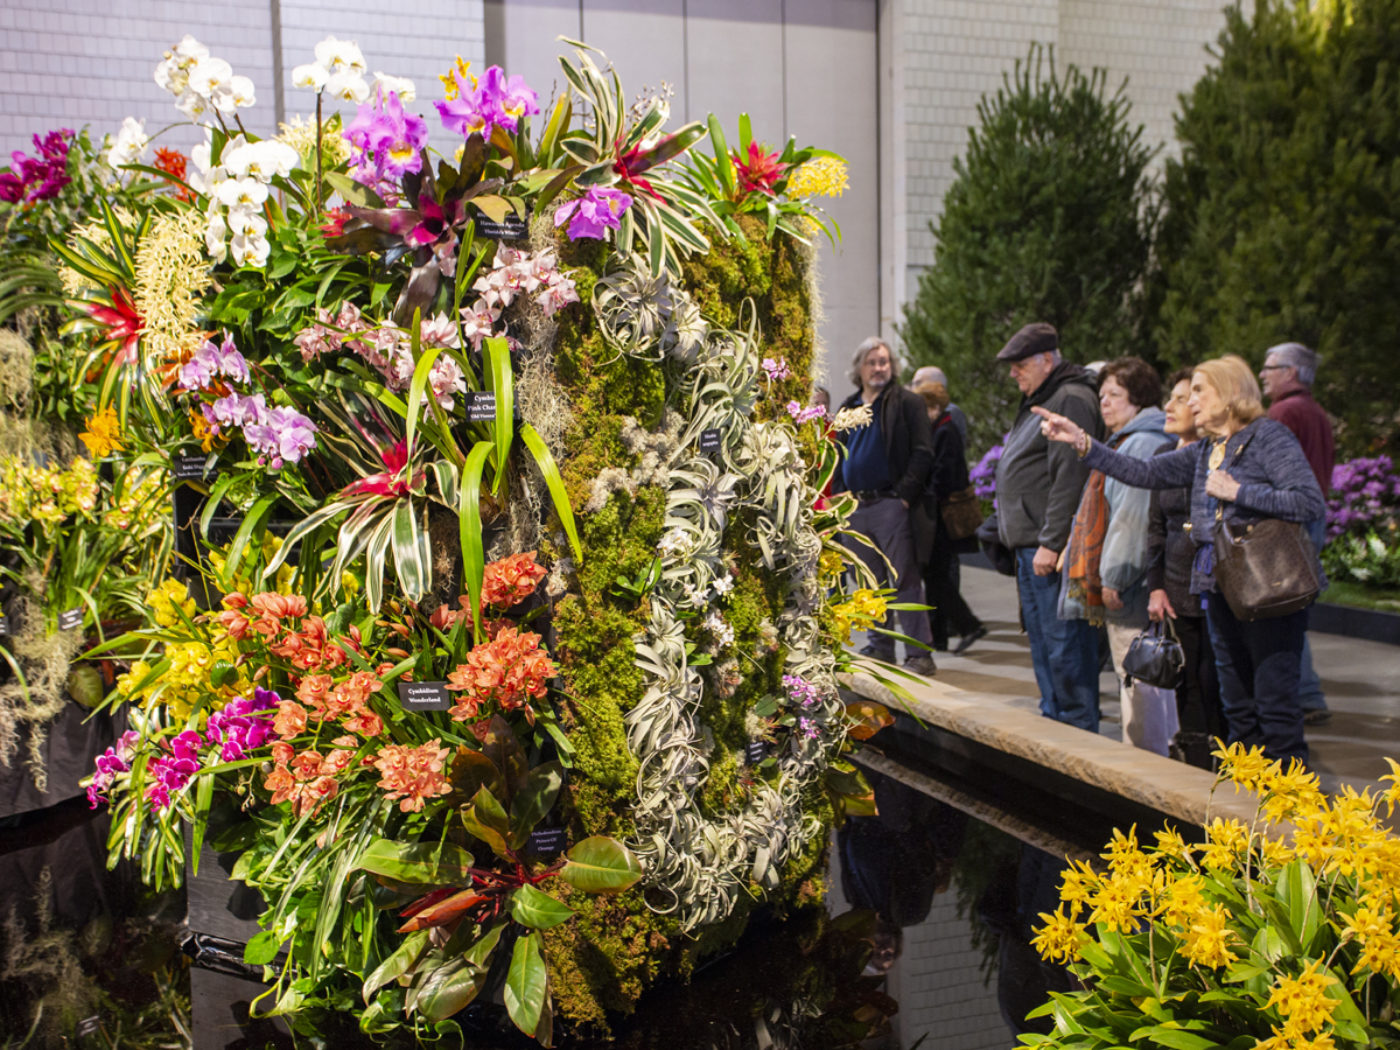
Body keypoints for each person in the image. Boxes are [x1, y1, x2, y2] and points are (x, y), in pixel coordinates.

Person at [1032, 355, 1326, 766]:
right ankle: (1247, 798)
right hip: (1220, 588)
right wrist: (1082, 441)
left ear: (1229, 392)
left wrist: (1239, 492)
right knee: (1237, 706)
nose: (1191, 403)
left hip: (1267, 588)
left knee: (1274, 704)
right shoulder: (1207, 449)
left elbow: (1308, 501)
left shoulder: (1268, 437)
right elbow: (1141, 471)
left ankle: (1292, 806)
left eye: (1200, 391)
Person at [1058, 358, 1175, 754]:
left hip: (1131, 587)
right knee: (1146, 677)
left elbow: (1131, 518)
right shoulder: (1133, 437)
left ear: (1138, 399)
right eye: (1102, 394)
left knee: (1139, 677)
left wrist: (1113, 577)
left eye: (1115, 395)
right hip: (1139, 582)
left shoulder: (1140, 442)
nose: (1104, 403)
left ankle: (1147, 765)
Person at [993, 322, 1104, 732]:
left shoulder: (1070, 398)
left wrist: (1052, 542)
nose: (1013, 373)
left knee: (1065, 648)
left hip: (1050, 550)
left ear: (1047, 359)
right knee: (1046, 646)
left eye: (1019, 364)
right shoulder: (1044, 397)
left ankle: (1076, 735)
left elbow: (1070, 478)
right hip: (1032, 547)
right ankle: (1056, 729)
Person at [832, 337, 938, 675]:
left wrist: (904, 495)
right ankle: (880, 647)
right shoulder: (848, 407)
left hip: (891, 504)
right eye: (872, 362)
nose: (879, 368)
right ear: (859, 369)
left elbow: (923, 452)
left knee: (903, 579)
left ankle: (919, 654)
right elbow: (837, 457)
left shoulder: (907, 402)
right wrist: (839, 498)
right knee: (866, 583)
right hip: (854, 509)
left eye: (884, 362)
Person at [1145, 369, 1224, 768]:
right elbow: (1154, 528)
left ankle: (1231, 765)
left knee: (1219, 683)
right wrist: (1155, 586)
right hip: (1176, 586)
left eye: (1181, 398)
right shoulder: (1163, 457)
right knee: (1186, 681)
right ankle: (1194, 767)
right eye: (1173, 398)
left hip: (1218, 584)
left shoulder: (1219, 453)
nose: (1171, 406)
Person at [1261, 342, 1334, 727]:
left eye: (1270, 368)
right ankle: (1307, 693)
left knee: (1286, 609)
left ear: (1290, 372)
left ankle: (1303, 695)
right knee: (1296, 607)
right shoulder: (1314, 411)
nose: (1263, 375)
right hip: (1312, 518)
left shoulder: (1285, 412)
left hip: (1292, 522)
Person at [911, 380, 986, 653]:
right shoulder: (939, 428)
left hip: (942, 517)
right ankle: (940, 635)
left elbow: (943, 475)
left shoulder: (945, 430)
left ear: (934, 406)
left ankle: (968, 625)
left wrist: (922, 492)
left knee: (937, 576)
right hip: (938, 514)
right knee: (934, 576)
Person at [910, 365, 968, 445]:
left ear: (936, 385)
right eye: (912, 384)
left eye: (918, 383)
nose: (912, 388)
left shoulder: (951, 413)